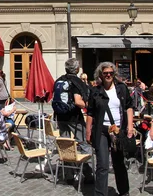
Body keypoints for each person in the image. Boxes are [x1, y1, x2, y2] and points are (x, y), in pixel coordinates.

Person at [86, 62, 134, 196]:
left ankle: (124, 191)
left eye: (111, 73)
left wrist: (130, 126)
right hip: (101, 129)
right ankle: (100, 194)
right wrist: (88, 131)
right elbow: (90, 112)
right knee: (102, 164)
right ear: (100, 75)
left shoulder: (121, 88)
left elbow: (129, 107)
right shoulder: (95, 91)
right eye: (105, 73)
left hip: (118, 130)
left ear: (114, 74)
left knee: (119, 163)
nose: (108, 75)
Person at [54, 58, 94, 180]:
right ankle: (89, 174)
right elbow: (78, 102)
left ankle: (68, 174)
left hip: (60, 117)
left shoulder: (59, 80)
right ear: (76, 69)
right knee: (83, 143)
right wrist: (91, 107)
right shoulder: (76, 82)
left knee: (65, 144)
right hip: (74, 118)